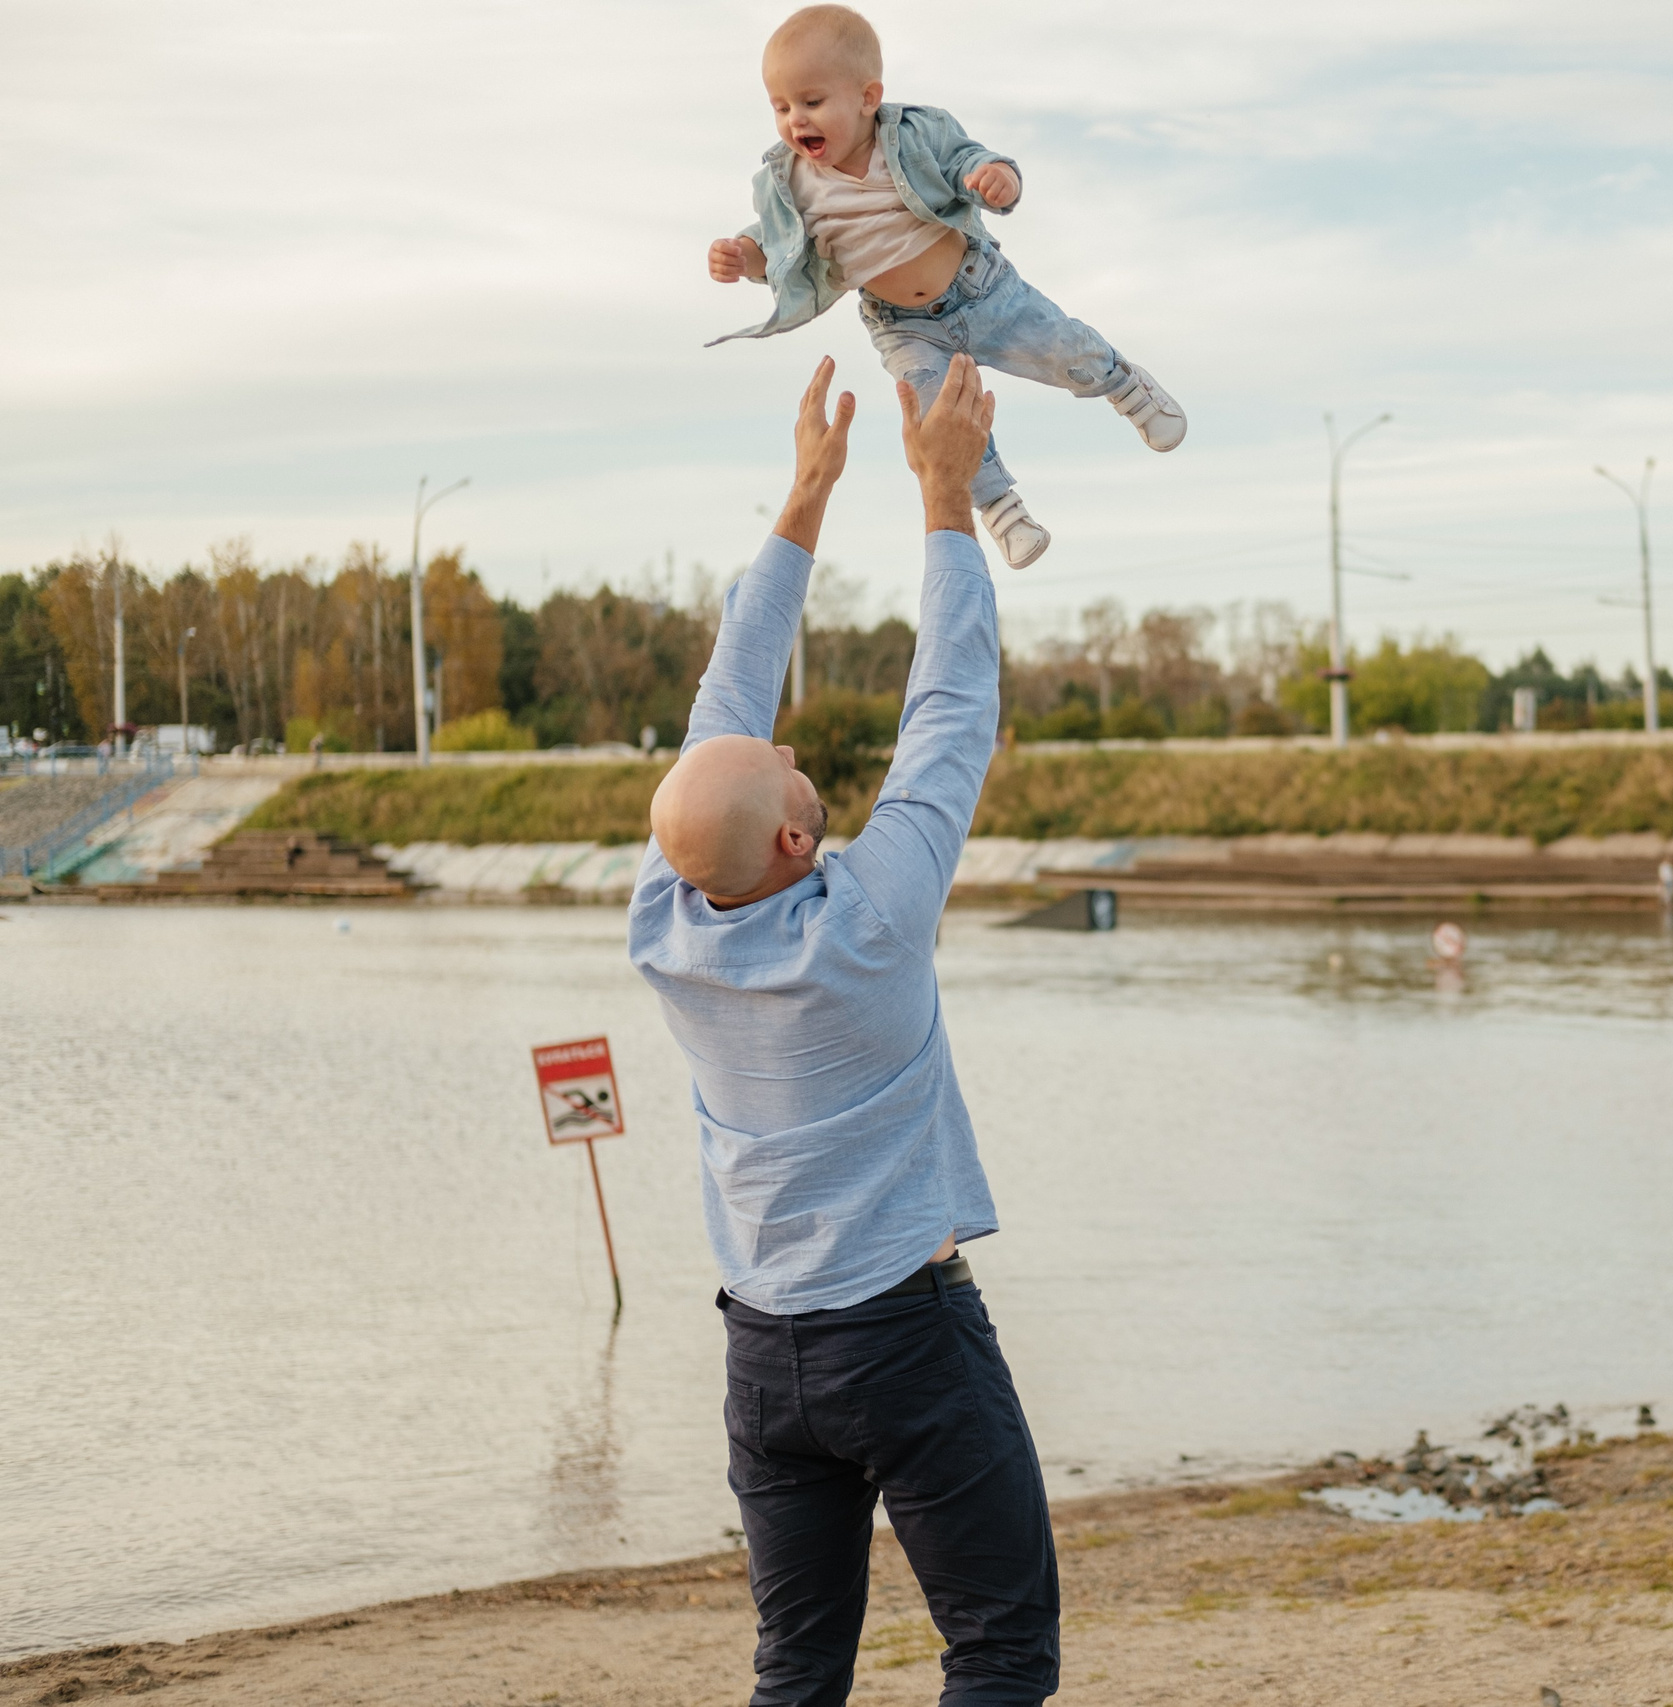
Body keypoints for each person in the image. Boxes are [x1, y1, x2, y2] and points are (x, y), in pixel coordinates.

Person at [629, 354, 1059, 1707]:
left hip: (764, 1353)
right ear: (802, 836)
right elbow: (952, 706)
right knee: (997, 1653)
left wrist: (805, 498)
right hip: (905, 1340)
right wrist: (943, 498)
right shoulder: (870, 916)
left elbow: (724, 708)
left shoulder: (665, 916)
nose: (784, 746)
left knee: (796, 1666)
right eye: (795, 770)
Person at [706, 5, 1185, 570]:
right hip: (903, 328)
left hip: (979, 289)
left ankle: (1123, 385)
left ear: (867, 97)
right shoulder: (791, 184)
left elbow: (968, 161)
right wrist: (746, 258)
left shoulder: (913, 134)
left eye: (812, 102)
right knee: (942, 423)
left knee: (1059, 349)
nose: (795, 121)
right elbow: (776, 243)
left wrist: (995, 179)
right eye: (781, 107)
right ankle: (1003, 509)